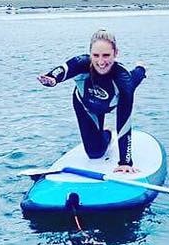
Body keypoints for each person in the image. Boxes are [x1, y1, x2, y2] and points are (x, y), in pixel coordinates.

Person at [37, 29, 146, 173]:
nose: (101, 62)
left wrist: (125, 162)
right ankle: (106, 133)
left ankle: (141, 68)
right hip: (85, 105)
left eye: (106, 55)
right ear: (90, 54)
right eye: (96, 55)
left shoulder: (123, 80)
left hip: (111, 102)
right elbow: (63, 70)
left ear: (116, 53)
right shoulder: (81, 63)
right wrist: (52, 78)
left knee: (135, 78)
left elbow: (124, 122)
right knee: (94, 153)